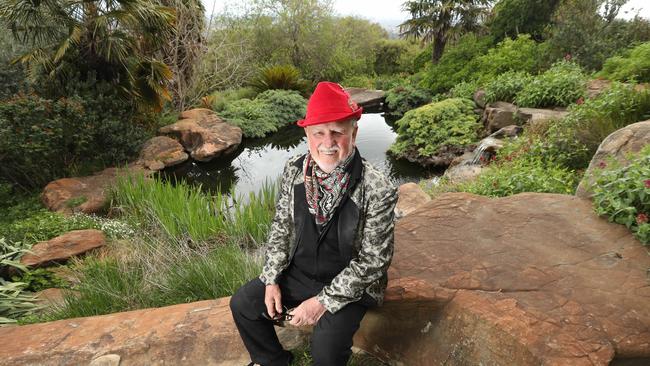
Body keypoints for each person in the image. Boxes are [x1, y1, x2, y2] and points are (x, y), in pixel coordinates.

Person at [230, 81, 398, 366]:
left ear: (353, 133)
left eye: (337, 132)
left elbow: (374, 261)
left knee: (326, 349)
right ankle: (272, 361)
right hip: (302, 271)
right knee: (243, 304)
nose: (327, 142)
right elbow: (281, 227)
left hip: (350, 283)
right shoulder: (294, 169)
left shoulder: (378, 186)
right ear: (307, 134)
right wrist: (271, 279)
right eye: (318, 132)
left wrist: (323, 302)